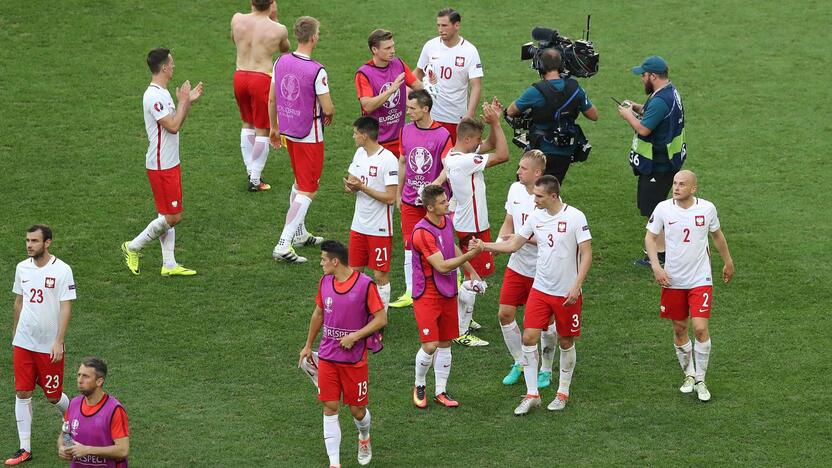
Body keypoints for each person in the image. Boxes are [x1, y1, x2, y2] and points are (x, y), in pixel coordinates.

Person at [475, 175, 592, 414]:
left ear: (553, 196)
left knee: (566, 341)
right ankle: (532, 394)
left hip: (566, 292)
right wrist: (484, 246)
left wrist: (577, 284)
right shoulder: (536, 217)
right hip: (540, 289)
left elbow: (586, 254)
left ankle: (562, 392)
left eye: (538, 196)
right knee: (529, 338)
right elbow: (514, 244)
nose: (534, 199)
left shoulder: (575, 217)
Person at [644, 170, 734, 402]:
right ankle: (689, 375)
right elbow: (650, 238)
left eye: (682, 184)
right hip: (673, 281)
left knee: (701, 328)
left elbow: (717, 236)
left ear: (693, 188)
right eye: (674, 183)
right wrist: (656, 266)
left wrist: (727, 261)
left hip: (700, 279)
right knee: (679, 329)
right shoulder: (663, 209)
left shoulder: (706, 209)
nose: (676, 187)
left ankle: (702, 379)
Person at [298, 241, 387, 467]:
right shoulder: (325, 282)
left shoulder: (365, 285)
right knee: (330, 407)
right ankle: (334, 463)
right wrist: (308, 345)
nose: (321, 264)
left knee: (357, 411)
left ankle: (364, 436)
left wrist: (354, 336)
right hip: (328, 357)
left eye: (323, 260)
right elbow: (318, 313)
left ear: (335, 261)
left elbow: (381, 319)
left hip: (354, 360)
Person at [121, 48, 204, 277]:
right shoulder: (154, 96)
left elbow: (175, 121)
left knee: (166, 214)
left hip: (169, 162)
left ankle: (169, 265)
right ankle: (133, 246)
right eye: (172, 64)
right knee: (173, 216)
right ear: (165, 67)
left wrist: (187, 102)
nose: (174, 67)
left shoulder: (163, 92)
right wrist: (184, 102)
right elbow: (174, 126)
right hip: (161, 166)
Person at [7, 225, 76, 466]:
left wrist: (59, 340)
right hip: (24, 342)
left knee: (53, 396)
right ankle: (24, 448)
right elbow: (19, 301)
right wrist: (15, 331)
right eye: (27, 240)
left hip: (49, 346)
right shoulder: (22, 268)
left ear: (47, 243)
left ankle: (71, 414)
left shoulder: (62, 270)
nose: (29, 245)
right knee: (22, 392)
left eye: (34, 241)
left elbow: (66, 306)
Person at [410, 185, 483, 409]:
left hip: (448, 291)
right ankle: (419, 384)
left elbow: (450, 247)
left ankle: (441, 391)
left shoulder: (446, 221)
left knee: (445, 343)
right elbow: (441, 266)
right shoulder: (422, 233)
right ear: (430, 207)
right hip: (428, 294)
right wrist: (473, 253)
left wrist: (472, 271)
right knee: (430, 345)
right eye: (442, 202)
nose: (447, 204)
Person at [444, 99, 509, 346]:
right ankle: (460, 332)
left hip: (467, 221)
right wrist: (495, 124)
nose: (480, 143)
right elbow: (502, 154)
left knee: (471, 274)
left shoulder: (456, 154)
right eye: (477, 139)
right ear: (469, 139)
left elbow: (492, 143)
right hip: (471, 226)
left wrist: (496, 123)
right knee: (475, 278)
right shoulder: (464, 161)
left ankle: (464, 318)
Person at [269, 16, 333, 263]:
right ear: (314, 37)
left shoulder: (281, 61)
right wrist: (332, 112)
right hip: (310, 134)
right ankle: (283, 244)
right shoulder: (317, 70)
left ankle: (299, 233)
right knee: (308, 189)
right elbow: (327, 107)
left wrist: (274, 127)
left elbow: (273, 98)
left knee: (299, 182)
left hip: (289, 130)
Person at [495, 150, 558, 389]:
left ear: (537, 173)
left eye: (523, 168)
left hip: (542, 270)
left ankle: (545, 369)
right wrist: (501, 243)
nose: (518, 171)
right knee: (504, 314)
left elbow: (550, 238)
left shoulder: (549, 202)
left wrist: (518, 240)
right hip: (518, 265)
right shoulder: (514, 189)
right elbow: (509, 221)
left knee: (546, 324)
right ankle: (520, 361)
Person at [617, 55, 686, 266]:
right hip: (670, 161)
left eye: (644, 75)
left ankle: (661, 254)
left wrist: (627, 114)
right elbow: (655, 114)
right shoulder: (669, 92)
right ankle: (665, 250)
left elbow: (644, 129)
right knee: (657, 208)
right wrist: (638, 108)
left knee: (654, 210)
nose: (642, 79)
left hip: (658, 165)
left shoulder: (659, 101)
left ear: (653, 76)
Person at [389, 90, 452, 309]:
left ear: (425, 109)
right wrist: (398, 193)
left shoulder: (443, 134)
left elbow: (447, 167)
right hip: (409, 200)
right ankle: (410, 290)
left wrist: (431, 187)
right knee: (409, 243)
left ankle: (445, 282)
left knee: (439, 242)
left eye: (412, 108)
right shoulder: (405, 130)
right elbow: (403, 162)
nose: (408, 111)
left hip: (433, 203)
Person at [506, 49, 598, 184]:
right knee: (551, 191)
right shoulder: (575, 88)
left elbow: (511, 110)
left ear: (540, 66)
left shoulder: (535, 91)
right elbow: (593, 115)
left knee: (525, 191)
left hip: (539, 151)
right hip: (565, 153)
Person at [231, 0, 290, 191]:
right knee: (262, 128)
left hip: (240, 76)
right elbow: (285, 49)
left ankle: (251, 172)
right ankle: (255, 180)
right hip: (261, 78)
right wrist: (274, 18)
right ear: (272, 4)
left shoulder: (237, 19)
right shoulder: (279, 29)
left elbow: (236, 39)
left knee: (247, 123)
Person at [344, 117, 399, 312]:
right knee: (355, 271)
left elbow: (391, 197)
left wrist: (362, 188)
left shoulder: (388, 160)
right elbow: (352, 182)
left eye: (355, 133)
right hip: (358, 225)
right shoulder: (360, 153)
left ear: (365, 135)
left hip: (379, 228)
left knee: (380, 275)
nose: (353, 136)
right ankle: (358, 313)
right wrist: (351, 186)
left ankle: (380, 318)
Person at [415, 7, 483, 142]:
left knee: (452, 160)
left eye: (444, 25)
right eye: (438, 25)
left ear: (456, 25)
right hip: (430, 115)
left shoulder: (469, 51)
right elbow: (417, 73)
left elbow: (476, 85)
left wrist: (469, 114)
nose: (440, 29)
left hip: (456, 118)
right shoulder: (430, 46)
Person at [355, 29, 423, 155]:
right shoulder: (364, 74)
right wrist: (391, 90)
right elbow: (368, 106)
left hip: (400, 139)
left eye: (393, 46)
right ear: (374, 50)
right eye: (387, 48)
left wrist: (432, 85)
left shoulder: (398, 64)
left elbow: (417, 86)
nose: (392, 51)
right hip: (376, 142)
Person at [58, 358, 129, 467]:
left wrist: (87, 450)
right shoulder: (74, 404)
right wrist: (62, 447)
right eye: (79, 375)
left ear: (99, 381)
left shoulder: (114, 410)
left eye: (85, 376)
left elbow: (122, 450)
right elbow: (66, 433)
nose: (80, 380)